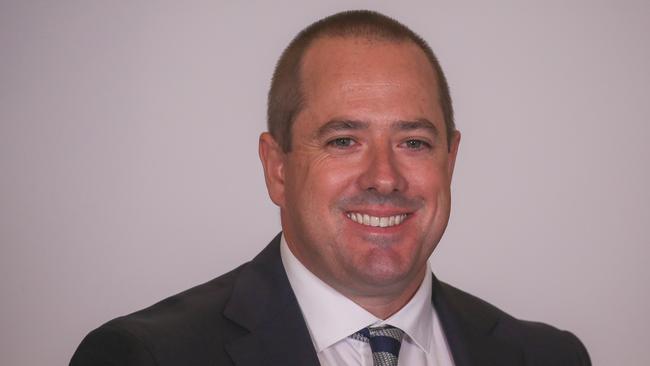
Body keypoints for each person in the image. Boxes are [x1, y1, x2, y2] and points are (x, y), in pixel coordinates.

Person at [70, 10, 591, 366]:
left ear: (450, 161)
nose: (384, 178)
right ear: (278, 167)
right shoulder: (147, 356)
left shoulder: (548, 357)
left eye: (413, 142)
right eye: (344, 140)